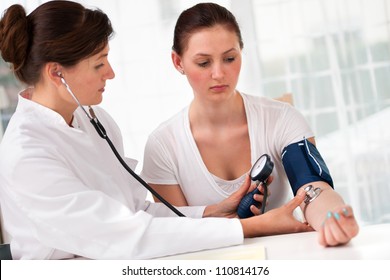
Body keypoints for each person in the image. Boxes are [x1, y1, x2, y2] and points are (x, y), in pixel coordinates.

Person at [0, 1, 316, 260]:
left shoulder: (95, 120)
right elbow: (126, 234)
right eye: (99, 64)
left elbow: (135, 211)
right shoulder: (27, 153)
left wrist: (210, 212)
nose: (111, 73)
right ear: (57, 73)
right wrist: (252, 227)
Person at [141, 2, 359, 247]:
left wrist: (332, 218)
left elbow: (312, 189)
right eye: (204, 63)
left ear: (242, 51)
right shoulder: (163, 145)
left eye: (230, 58)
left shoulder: (281, 118)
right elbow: (177, 231)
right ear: (178, 62)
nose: (219, 73)